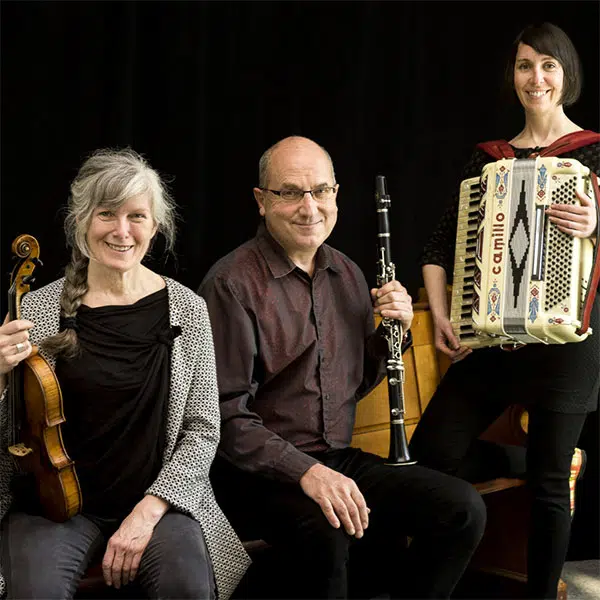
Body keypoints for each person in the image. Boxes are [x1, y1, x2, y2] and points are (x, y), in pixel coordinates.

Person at [198, 135, 487, 599]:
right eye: (290, 192)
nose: (309, 207)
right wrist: (306, 473)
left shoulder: (347, 274)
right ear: (261, 201)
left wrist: (392, 333)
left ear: (336, 195)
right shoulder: (231, 284)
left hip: (335, 459)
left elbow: (354, 384)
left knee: (461, 508)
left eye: (321, 191)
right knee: (327, 532)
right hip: (256, 476)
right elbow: (225, 416)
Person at [0, 148, 250, 599]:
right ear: (81, 222)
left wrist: (150, 510)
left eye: (137, 216)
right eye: (106, 214)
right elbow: (10, 434)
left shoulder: (188, 310)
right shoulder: (36, 310)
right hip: (52, 508)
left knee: (188, 589)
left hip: (158, 501)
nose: (121, 230)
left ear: (155, 227)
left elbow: (202, 429)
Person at [409, 22, 600, 600]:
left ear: (567, 75)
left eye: (547, 65)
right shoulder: (487, 159)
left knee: (547, 484)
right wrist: (443, 316)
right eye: (524, 65)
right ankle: (437, 574)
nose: (535, 77)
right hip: (493, 344)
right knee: (432, 453)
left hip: (566, 348)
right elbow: (440, 248)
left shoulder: (593, 151)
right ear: (512, 76)